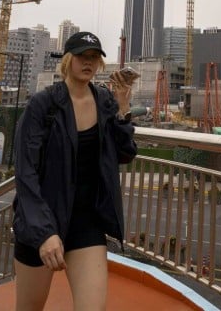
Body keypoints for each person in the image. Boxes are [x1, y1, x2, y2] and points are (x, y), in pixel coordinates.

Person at [12, 31, 137, 310]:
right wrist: (44, 232)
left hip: (86, 222)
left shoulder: (105, 101)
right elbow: (25, 172)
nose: (88, 62)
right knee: (29, 307)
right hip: (41, 221)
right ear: (67, 60)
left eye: (94, 57)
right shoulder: (43, 105)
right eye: (82, 56)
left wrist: (123, 107)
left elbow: (125, 153)